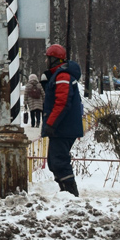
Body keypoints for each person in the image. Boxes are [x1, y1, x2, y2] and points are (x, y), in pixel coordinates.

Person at [41, 43, 83, 196]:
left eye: (48, 58)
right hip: (63, 128)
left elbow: (62, 102)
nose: (46, 61)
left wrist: (51, 124)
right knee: (54, 161)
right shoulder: (59, 76)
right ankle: (66, 193)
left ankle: (71, 195)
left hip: (63, 128)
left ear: (54, 59)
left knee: (59, 161)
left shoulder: (62, 76)